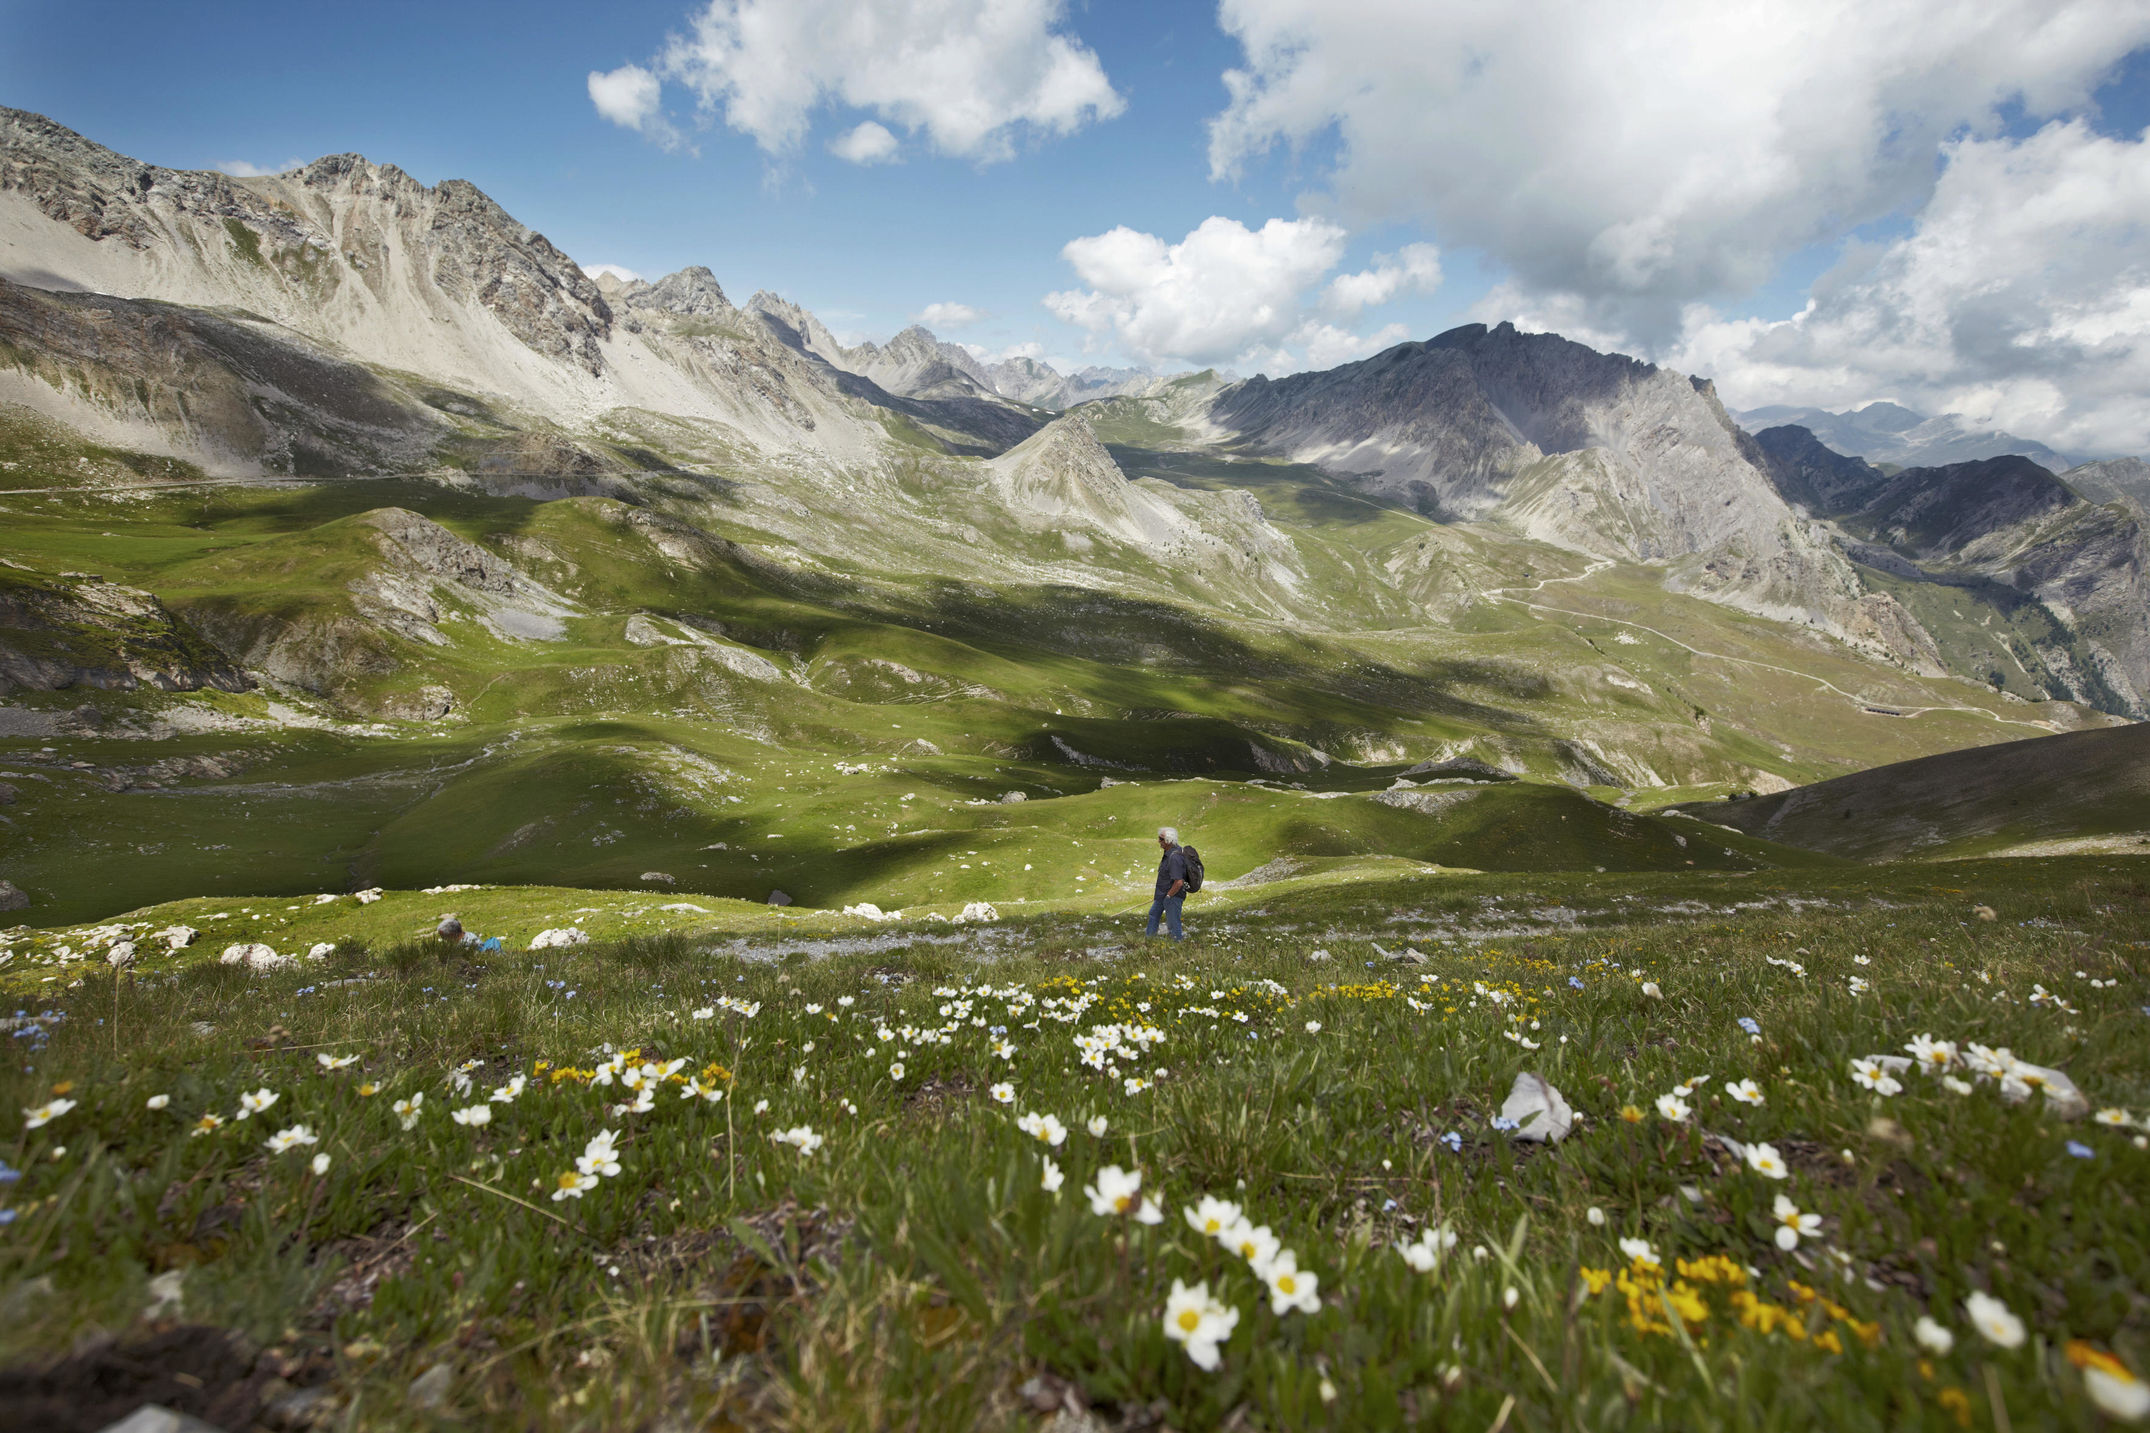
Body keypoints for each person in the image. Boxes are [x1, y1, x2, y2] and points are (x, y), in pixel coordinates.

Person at [1146, 826, 1189, 941]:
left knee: (1173, 923)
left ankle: (1177, 945)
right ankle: (1149, 940)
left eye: (1161, 839)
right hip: (1163, 894)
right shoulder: (1169, 853)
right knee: (1153, 914)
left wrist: (1169, 896)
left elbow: (1179, 882)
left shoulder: (1174, 857)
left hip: (1172, 896)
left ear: (1168, 841)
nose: (1158, 841)